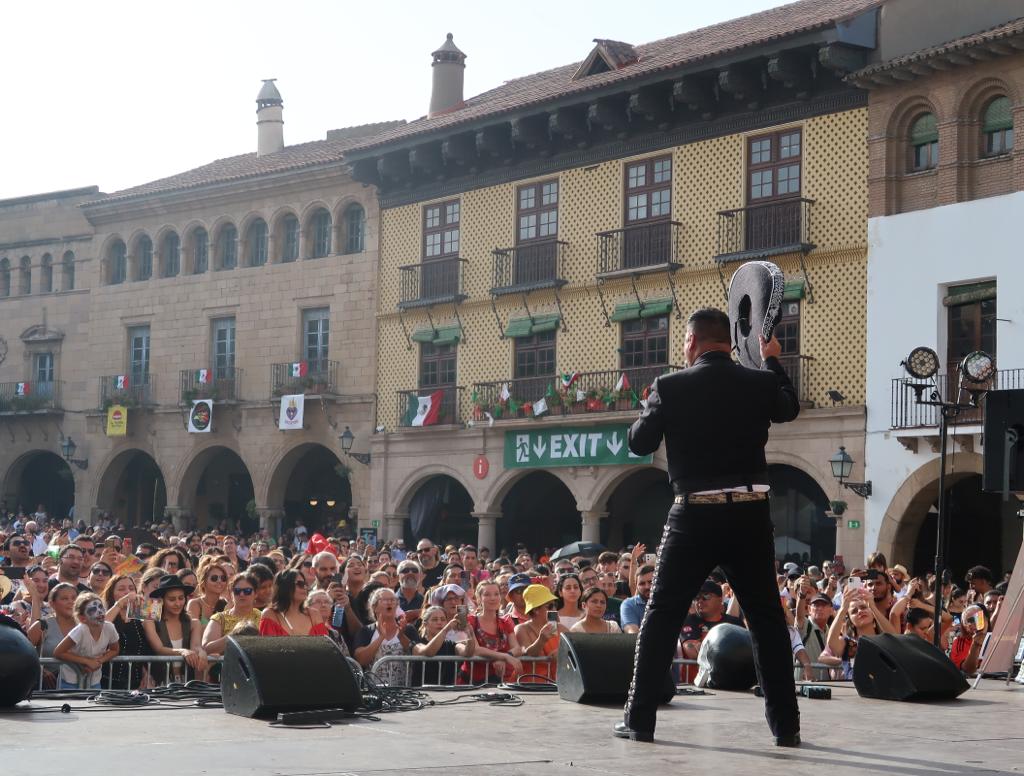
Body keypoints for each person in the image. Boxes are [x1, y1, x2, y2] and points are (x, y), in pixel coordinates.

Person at [617, 308, 802, 746]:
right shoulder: (758, 382)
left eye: (684, 342)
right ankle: (787, 728)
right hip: (750, 511)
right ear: (729, 342)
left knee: (661, 616)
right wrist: (772, 359)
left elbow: (639, 442)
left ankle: (639, 721)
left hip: (694, 512)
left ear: (693, 342)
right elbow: (789, 408)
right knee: (767, 621)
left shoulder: (670, 386)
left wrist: (651, 405)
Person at [142, 574, 208, 683]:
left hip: (186, 682)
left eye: (181, 598)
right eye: (172, 599)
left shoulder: (194, 623)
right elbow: (159, 649)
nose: (177, 603)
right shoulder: (150, 621)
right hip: (159, 683)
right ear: (161, 600)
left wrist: (201, 651)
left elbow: (195, 646)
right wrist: (182, 651)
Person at [53, 593, 120, 690]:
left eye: (101, 607)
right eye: (92, 610)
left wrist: (99, 661)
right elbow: (58, 652)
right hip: (69, 681)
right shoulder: (80, 630)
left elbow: (115, 650)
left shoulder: (109, 627)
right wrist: (87, 662)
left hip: (94, 681)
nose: (99, 612)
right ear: (82, 618)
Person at [353, 587, 417, 685]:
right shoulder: (366, 631)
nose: (389, 603)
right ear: (374, 607)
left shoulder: (408, 630)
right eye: (384, 600)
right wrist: (381, 637)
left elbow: (417, 656)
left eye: (393, 600)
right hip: (375, 692)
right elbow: (361, 660)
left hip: (405, 692)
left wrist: (401, 635)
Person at [465, 580, 524, 683]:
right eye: (487, 595)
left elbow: (517, 648)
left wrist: (504, 658)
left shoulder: (506, 621)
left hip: (501, 681)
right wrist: (504, 656)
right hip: (473, 681)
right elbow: (476, 649)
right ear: (479, 599)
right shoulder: (470, 620)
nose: (493, 598)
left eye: (496, 594)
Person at [101, 574, 150, 689]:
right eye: (121, 589)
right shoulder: (106, 613)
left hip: (135, 683)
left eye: (131, 588)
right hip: (108, 681)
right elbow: (99, 627)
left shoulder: (139, 614)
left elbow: (140, 649)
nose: (127, 592)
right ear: (112, 594)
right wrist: (119, 604)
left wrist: (146, 673)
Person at [679, 580, 745, 660]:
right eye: (696, 597)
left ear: (720, 599)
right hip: (700, 672)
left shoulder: (735, 623)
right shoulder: (689, 620)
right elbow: (692, 652)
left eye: (706, 596)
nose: (700, 600)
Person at [412, 604, 476, 686]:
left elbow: (468, 653)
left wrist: (469, 633)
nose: (439, 622)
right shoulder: (417, 642)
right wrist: (446, 629)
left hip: (446, 694)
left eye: (443, 619)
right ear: (425, 624)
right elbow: (428, 652)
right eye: (435, 620)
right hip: (422, 692)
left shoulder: (450, 644)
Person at [514, 584, 565, 681]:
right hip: (532, 686)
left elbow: (575, 649)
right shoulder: (522, 629)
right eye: (550, 606)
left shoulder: (560, 628)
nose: (554, 609)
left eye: (555, 605)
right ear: (536, 610)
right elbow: (527, 655)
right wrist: (541, 640)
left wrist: (563, 652)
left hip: (556, 685)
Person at [202, 572, 262, 655]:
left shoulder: (263, 617)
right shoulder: (219, 618)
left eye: (247, 591)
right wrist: (235, 635)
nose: (242, 594)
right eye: (237, 591)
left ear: (255, 594)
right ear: (231, 593)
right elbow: (206, 649)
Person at [259, 569, 327, 637]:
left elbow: (325, 646)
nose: (305, 588)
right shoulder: (270, 615)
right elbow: (268, 647)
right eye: (300, 584)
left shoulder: (314, 615)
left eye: (305, 584)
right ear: (285, 586)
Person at [187, 561, 230, 626]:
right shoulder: (194, 604)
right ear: (203, 583)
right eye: (214, 578)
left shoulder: (225, 604)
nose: (219, 581)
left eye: (223, 578)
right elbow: (195, 631)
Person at [619, 565, 654, 634]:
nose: (647, 587)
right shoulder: (629, 604)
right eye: (642, 584)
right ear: (636, 586)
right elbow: (632, 633)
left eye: (651, 582)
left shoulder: (670, 600)